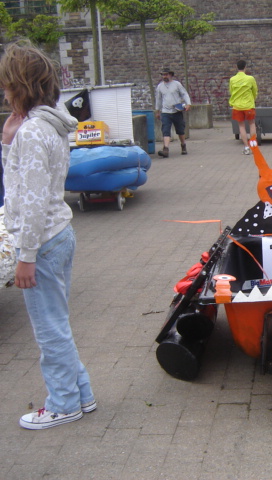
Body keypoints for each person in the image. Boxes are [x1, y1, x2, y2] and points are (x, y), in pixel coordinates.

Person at [0, 41, 96, 430]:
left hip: (40, 243)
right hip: (57, 233)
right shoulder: (47, 125)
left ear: (19, 86)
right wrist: (7, 143)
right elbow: (24, 180)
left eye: (6, 86)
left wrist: (25, 255)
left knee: (48, 329)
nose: (3, 93)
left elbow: (33, 197)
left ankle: (63, 404)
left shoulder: (33, 132)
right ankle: (82, 394)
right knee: (56, 322)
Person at [155, 67, 191, 157]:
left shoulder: (177, 84)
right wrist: (158, 111)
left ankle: (183, 145)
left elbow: (184, 93)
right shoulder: (160, 86)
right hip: (165, 112)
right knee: (165, 130)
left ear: (170, 75)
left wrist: (188, 104)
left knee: (180, 130)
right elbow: (158, 99)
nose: (164, 76)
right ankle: (165, 149)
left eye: (166, 74)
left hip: (176, 110)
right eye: (163, 75)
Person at [229, 60, 258, 155]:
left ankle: (246, 147)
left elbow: (231, 91)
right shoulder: (250, 79)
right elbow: (255, 91)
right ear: (245, 67)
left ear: (237, 67)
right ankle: (253, 146)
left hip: (237, 106)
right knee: (252, 124)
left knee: (241, 126)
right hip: (249, 105)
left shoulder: (232, 79)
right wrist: (252, 99)